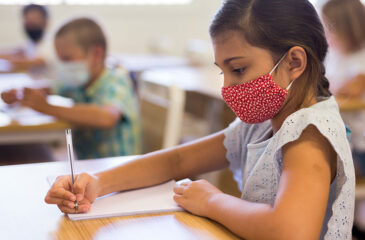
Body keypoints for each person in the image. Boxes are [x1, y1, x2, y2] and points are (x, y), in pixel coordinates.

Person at [44, 1, 355, 239]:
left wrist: (211, 202)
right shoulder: (263, 122)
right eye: (222, 71)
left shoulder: (309, 134)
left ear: (294, 62)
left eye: (238, 69)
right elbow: (178, 160)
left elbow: (290, 232)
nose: (227, 87)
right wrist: (99, 182)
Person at [1, 18, 141, 159]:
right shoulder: (78, 83)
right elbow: (48, 89)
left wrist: (47, 107)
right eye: (60, 59)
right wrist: (20, 95)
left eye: (67, 59)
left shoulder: (115, 80)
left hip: (117, 168)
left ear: (96, 54)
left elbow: (107, 117)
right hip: (88, 167)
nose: (62, 66)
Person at [322, 0, 365, 176]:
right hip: (343, 139)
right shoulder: (334, 57)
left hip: (360, 147)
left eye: (330, 29)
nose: (325, 34)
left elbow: (354, 88)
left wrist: (327, 86)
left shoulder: (361, 57)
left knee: (330, 174)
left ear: (349, 30)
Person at [0, 4, 50, 72]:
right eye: (27, 20)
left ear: (45, 22)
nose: (29, 23)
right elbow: (14, 52)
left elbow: (34, 62)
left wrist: (11, 60)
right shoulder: (31, 43)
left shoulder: (51, 44)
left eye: (34, 20)